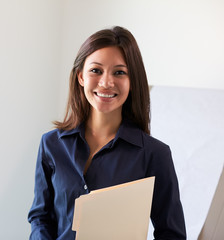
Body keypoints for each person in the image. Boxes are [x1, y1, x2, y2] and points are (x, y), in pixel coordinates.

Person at [28, 26, 186, 240]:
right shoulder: (51, 144)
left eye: (119, 72)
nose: (106, 82)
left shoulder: (154, 154)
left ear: (132, 82)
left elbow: (172, 234)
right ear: (81, 76)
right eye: (96, 70)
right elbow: (40, 216)